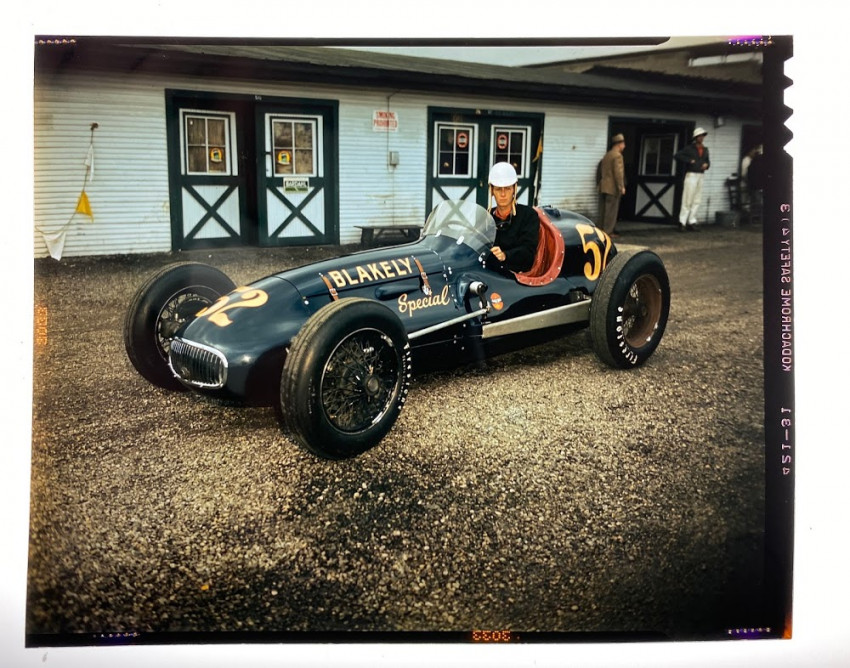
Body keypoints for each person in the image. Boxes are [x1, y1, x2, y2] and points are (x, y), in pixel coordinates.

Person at [485, 162, 539, 275]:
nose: (503, 194)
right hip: (488, 273)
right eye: (499, 189)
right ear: (492, 191)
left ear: (514, 189)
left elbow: (528, 252)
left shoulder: (528, 215)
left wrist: (505, 255)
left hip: (516, 277)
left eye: (507, 189)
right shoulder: (486, 217)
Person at [674, 127, 710, 231]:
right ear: (695, 137)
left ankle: (692, 220)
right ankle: (682, 222)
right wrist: (690, 160)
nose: (701, 138)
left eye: (703, 136)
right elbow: (677, 155)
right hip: (691, 174)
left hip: (700, 175)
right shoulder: (689, 148)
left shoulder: (705, 149)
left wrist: (706, 165)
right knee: (687, 199)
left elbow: (708, 161)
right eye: (699, 136)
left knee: (697, 199)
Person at [597, 133, 626, 236]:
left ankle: (600, 230)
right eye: (623, 144)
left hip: (604, 186)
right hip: (612, 188)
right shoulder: (617, 156)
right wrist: (621, 187)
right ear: (619, 144)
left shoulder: (607, 155)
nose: (624, 146)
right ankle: (608, 232)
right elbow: (618, 173)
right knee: (611, 211)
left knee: (603, 210)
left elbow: (599, 170)